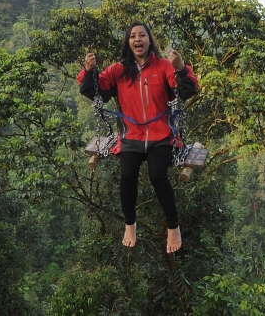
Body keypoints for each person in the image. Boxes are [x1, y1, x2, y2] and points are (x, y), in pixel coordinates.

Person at [77, 22, 198, 253]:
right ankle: (129, 225)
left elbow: (187, 90)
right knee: (128, 175)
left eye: (142, 35)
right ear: (128, 42)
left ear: (149, 40)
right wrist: (89, 70)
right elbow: (96, 92)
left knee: (157, 175)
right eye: (133, 36)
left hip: (161, 135)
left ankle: (174, 227)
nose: (137, 39)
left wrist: (181, 68)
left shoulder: (163, 66)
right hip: (131, 135)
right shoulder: (118, 70)